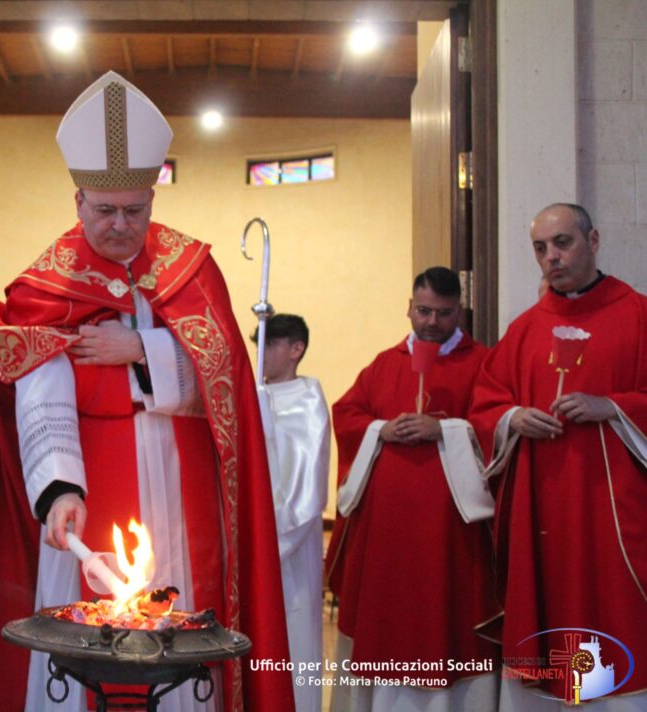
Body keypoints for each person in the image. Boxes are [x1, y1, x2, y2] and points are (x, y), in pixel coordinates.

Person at [0, 71, 294, 712]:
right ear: (77, 199)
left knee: (180, 605)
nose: (118, 226)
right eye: (104, 211)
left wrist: (142, 350)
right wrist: (59, 489)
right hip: (93, 476)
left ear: (152, 201)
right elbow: (39, 386)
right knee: (91, 620)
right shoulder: (46, 284)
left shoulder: (192, 267)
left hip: (182, 474)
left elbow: (228, 379)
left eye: (134, 211)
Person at [471, 203, 647, 709]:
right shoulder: (526, 327)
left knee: (614, 609)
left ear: (593, 240)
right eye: (540, 248)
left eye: (563, 243)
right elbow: (486, 403)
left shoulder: (637, 314)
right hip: (540, 511)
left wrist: (613, 406)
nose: (551, 257)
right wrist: (511, 419)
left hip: (611, 510)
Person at [324, 266, 500, 711]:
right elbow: (347, 415)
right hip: (388, 533)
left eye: (444, 313)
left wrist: (446, 429)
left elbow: (495, 424)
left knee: (448, 617)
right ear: (409, 307)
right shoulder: (385, 365)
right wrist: (380, 430)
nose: (432, 323)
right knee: (387, 621)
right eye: (423, 311)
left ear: (459, 311)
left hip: (450, 536)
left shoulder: (483, 364)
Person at [252, 314, 329, 712]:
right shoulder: (253, 394)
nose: (259, 355)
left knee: (292, 643)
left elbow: (306, 488)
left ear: (296, 349)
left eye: (269, 345)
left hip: (285, 546)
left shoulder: (307, 399)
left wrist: (266, 542)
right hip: (250, 541)